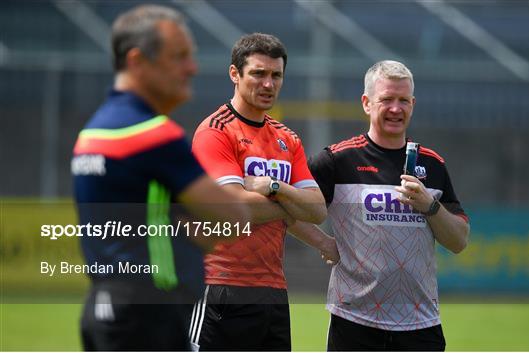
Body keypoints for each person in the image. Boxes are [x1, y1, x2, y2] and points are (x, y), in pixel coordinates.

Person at [71, 5, 250, 351]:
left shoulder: (92, 132)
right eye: (179, 57)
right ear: (138, 61)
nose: (192, 68)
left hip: (105, 304)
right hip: (149, 314)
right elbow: (234, 216)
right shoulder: (152, 135)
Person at [294, 60, 470, 351]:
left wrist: (430, 206)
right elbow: (288, 209)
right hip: (354, 323)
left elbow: (459, 241)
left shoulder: (433, 164)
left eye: (403, 100)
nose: (396, 109)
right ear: (366, 103)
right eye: (387, 99)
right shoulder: (337, 160)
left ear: (413, 104)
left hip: (420, 325)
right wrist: (322, 242)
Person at [190, 33, 338, 351]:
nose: (268, 84)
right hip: (221, 285)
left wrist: (275, 188)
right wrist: (290, 203)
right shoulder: (215, 131)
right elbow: (234, 207)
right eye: (258, 73)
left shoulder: (288, 139)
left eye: (276, 75)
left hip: (273, 291)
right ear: (235, 74)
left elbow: (316, 210)